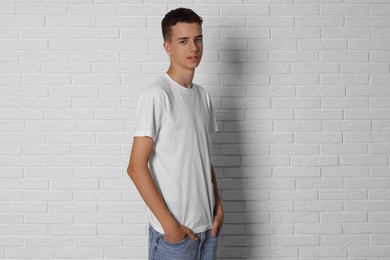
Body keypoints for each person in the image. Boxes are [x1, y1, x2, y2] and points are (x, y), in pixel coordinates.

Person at [127, 7, 224, 260]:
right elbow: (136, 167)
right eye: (183, 41)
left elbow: (203, 156)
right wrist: (170, 227)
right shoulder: (157, 96)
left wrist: (218, 206)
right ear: (167, 47)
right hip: (176, 237)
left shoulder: (203, 96)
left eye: (198, 39)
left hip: (208, 232)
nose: (193, 48)